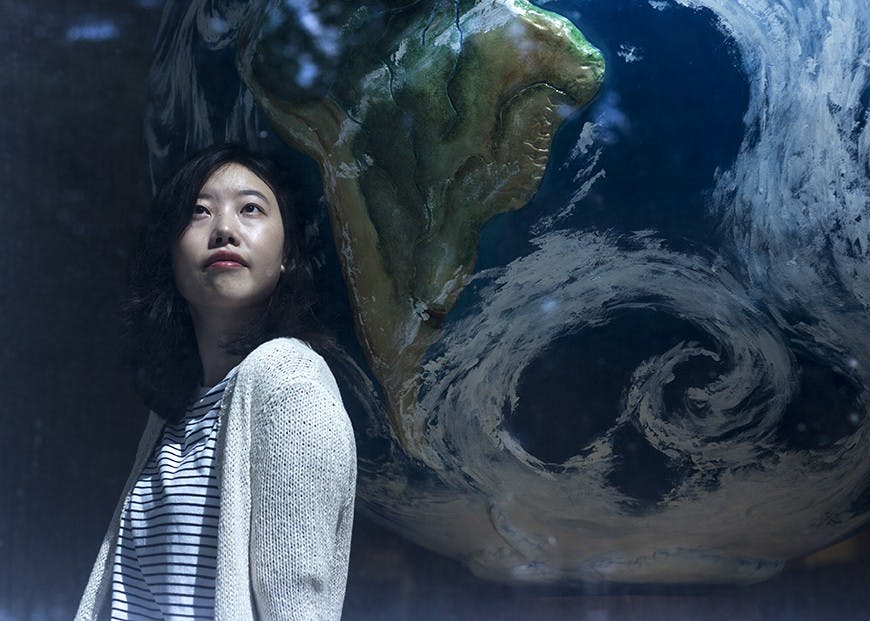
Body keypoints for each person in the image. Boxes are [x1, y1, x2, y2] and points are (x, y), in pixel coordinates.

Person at [74, 143, 357, 620]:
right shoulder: (174, 412)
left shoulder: (289, 385)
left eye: (251, 209)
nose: (224, 229)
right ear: (170, 250)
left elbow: (297, 606)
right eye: (199, 212)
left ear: (287, 253)